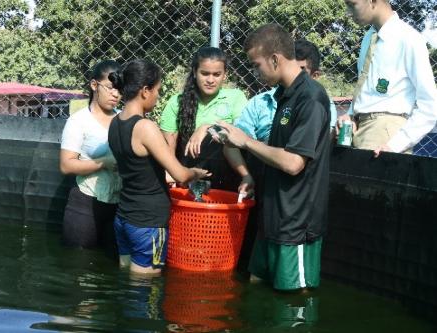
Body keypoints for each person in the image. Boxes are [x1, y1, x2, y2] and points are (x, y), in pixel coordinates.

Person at [217, 23, 331, 291]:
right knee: (257, 286)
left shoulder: (311, 98)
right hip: (272, 216)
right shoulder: (283, 95)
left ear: (275, 59)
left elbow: (293, 163)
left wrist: (245, 141)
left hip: (297, 224)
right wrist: (252, 177)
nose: (255, 72)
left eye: (257, 65)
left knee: (295, 300)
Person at [108, 59, 210, 275]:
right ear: (145, 91)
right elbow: (180, 173)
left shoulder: (115, 122)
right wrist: (196, 173)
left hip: (124, 217)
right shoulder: (145, 127)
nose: (158, 96)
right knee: (143, 289)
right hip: (148, 223)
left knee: (126, 279)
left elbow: (135, 166)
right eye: (157, 91)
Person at [338, 0, 437, 157]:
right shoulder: (368, 38)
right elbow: (366, 92)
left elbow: (430, 106)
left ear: (372, 1)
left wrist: (395, 144)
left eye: (352, 4)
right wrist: (350, 115)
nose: (348, 12)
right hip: (358, 128)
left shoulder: (409, 39)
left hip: (385, 133)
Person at [160, 47, 247, 190]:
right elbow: (169, 149)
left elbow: (241, 134)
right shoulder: (176, 102)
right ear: (195, 72)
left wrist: (206, 127)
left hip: (227, 178)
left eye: (217, 74)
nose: (210, 80)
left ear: (225, 75)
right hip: (188, 177)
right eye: (205, 73)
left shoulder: (235, 97)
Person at [59, 60, 122, 257]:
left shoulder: (124, 119)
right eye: (110, 88)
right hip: (86, 203)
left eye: (120, 90)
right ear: (94, 85)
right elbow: (66, 165)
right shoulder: (79, 121)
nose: (116, 94)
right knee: (79, 265)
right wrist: (104, 162)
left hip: (119, 203)